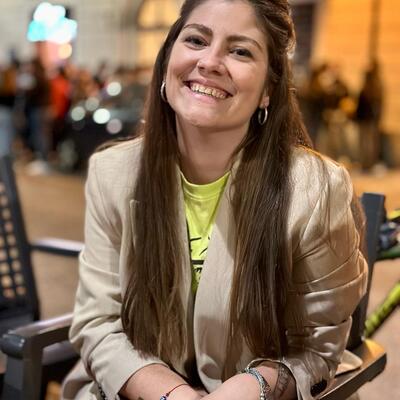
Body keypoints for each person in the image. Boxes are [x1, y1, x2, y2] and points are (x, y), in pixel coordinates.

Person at [63, 1, 367, 399]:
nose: (209, 62)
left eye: (240, 51)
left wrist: (254, 385)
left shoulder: (316, 190)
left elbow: (318, 349)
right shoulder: (112, 174)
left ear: (268, 90)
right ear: (167, 60)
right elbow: (99, 324)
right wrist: (173, 394)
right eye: (196, 40)